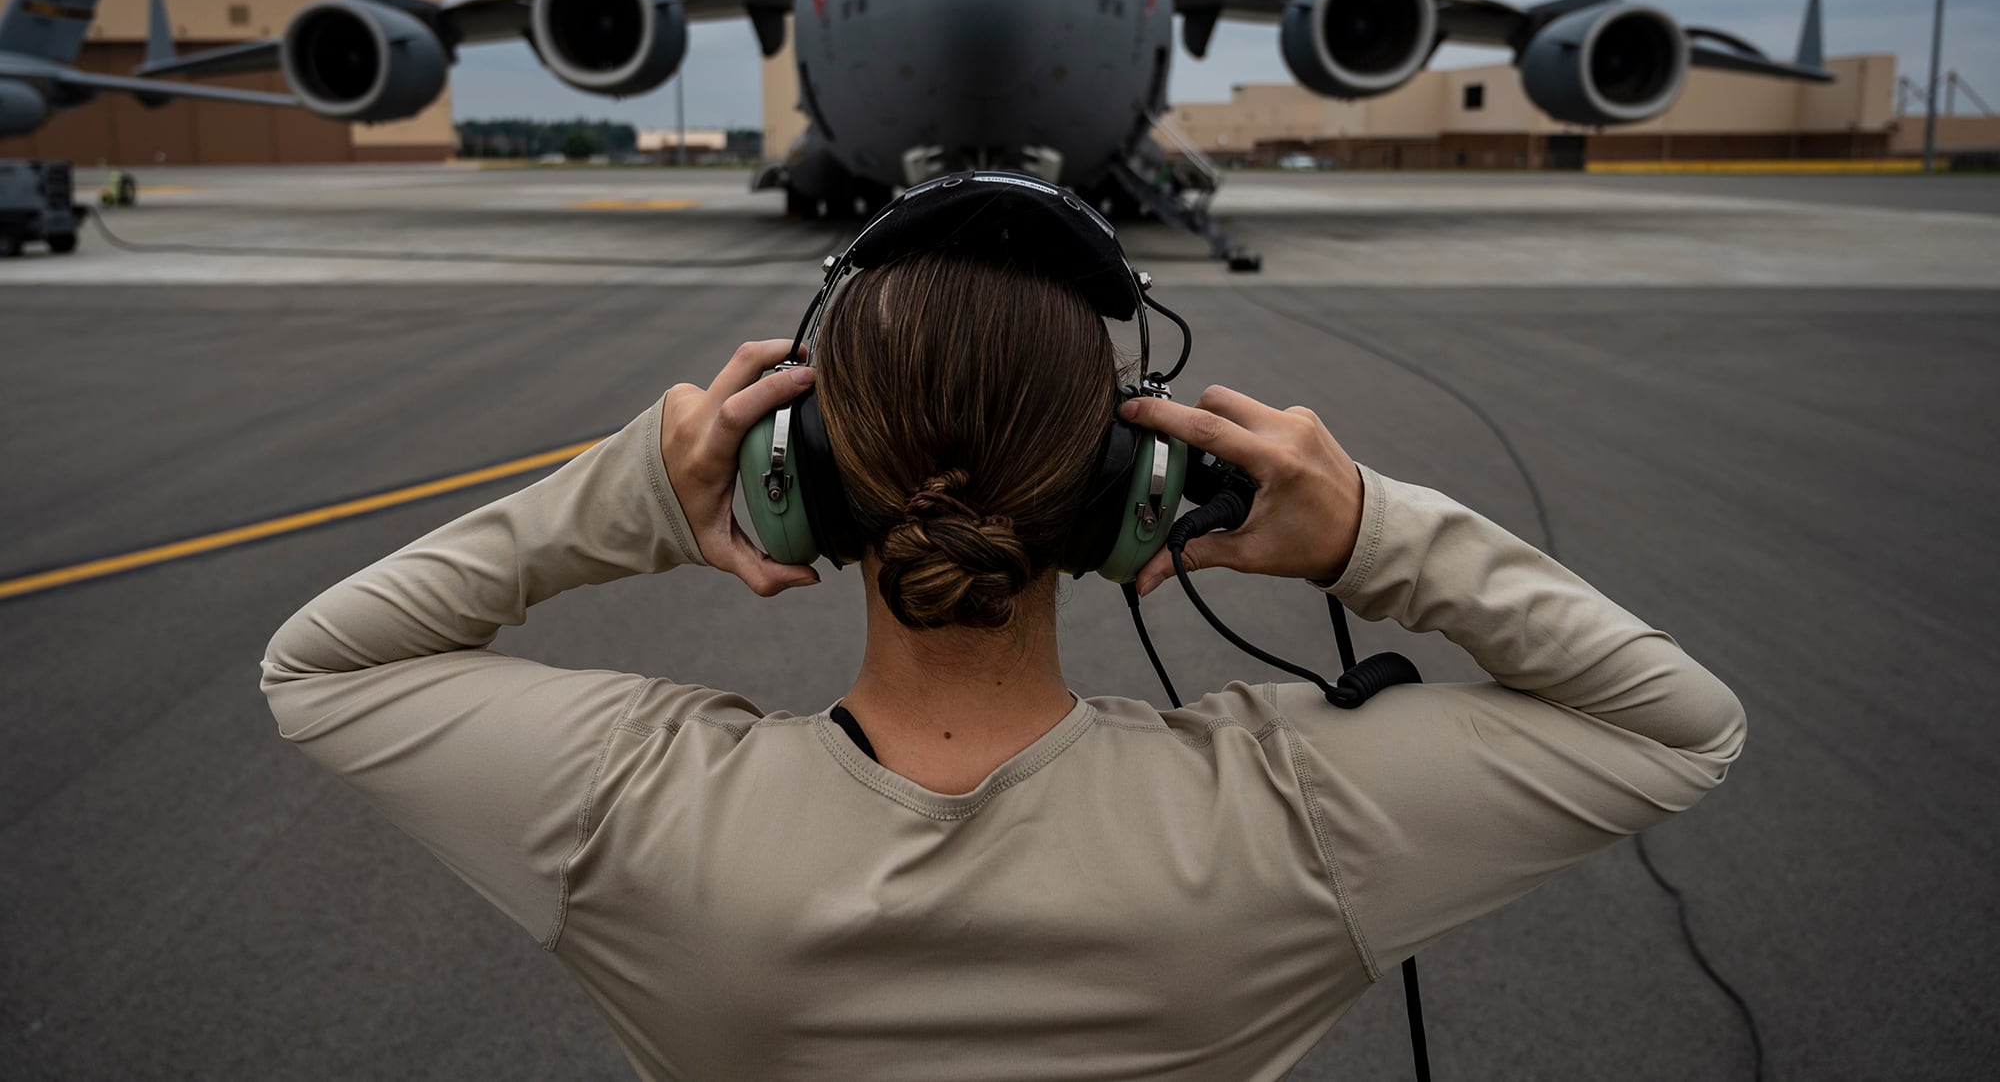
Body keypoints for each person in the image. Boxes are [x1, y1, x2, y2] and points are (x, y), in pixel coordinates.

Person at [263, 224, 1745, 1080]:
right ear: (1132, 494)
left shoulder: (632, 813)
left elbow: (323, 669)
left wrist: (641, 488)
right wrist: (1366, 529)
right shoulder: (1296, 830)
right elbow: (1672, 725)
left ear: (800, 479)